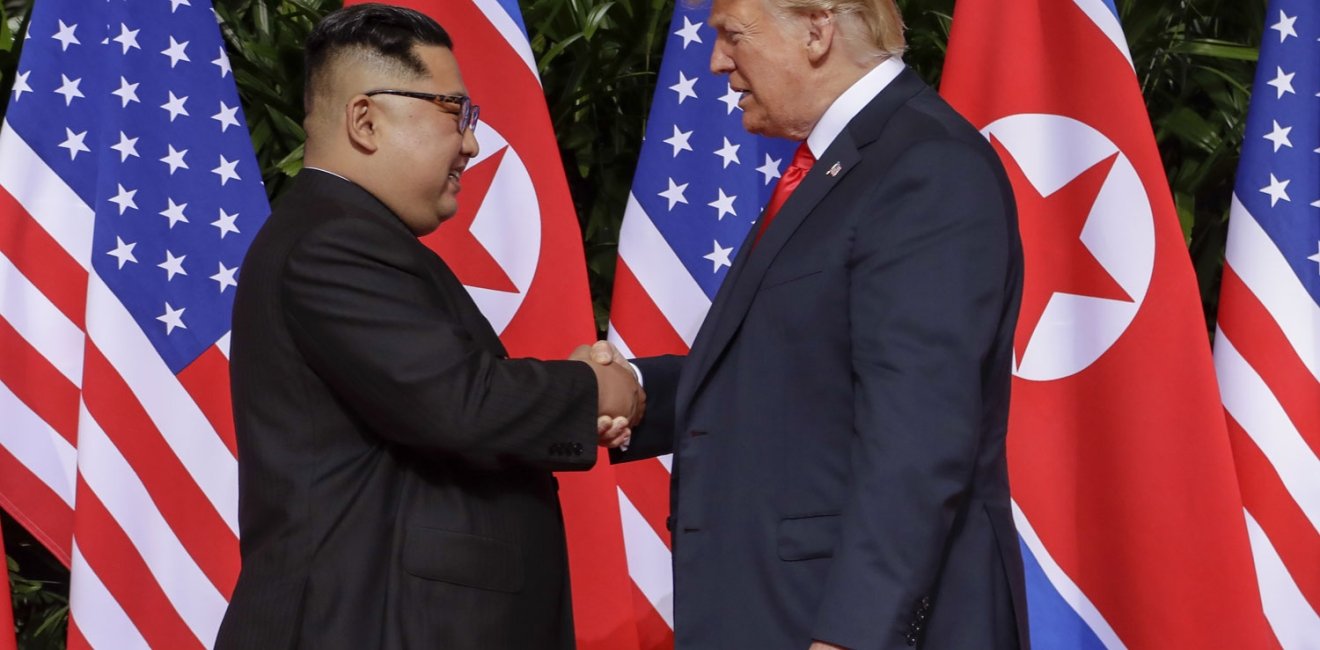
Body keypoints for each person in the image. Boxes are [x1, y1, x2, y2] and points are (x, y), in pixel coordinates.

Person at [597, 0, 1028, 647]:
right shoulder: (838, 165)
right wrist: (632, 388)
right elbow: (793, 367)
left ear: (817, 29)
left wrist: (853, 636)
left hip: (840, 625)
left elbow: (918, 436)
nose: (716, 61)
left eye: (732, 36)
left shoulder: (926, 167)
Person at [215, 5, 640, 649]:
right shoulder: (333, 243)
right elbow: (461, 404)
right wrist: (594, 391)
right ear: (365, 119)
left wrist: (640, 389)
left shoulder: (343, 234)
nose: (471, 142)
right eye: (455, 112)